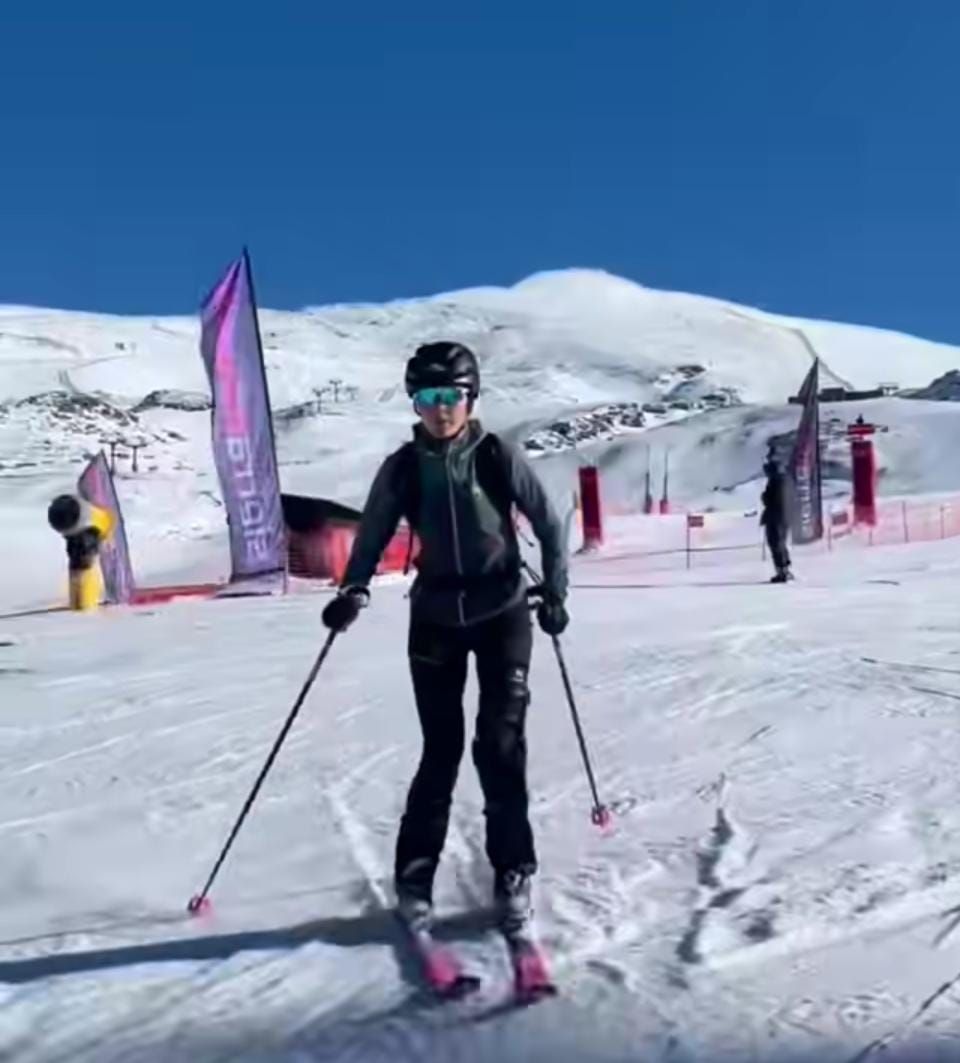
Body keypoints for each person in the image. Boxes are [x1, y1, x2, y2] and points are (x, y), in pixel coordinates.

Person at [321, 341, 569, 940]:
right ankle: (414, 878)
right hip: (434, 613)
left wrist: (555, 591)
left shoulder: (496, 455)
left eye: (451, 396)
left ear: (470, 398)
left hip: (502, 609)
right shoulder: (404, 467)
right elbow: (372, 533)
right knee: (441, 750)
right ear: (415, 403)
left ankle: (513, 871)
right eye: (428, 397)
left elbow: (549, 522)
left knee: (500, 745)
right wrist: (353, 588)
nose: (440, 409)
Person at [760, 456, 793, 583]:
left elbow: (770, 500)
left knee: (775, 543)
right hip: (784, 516)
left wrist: (764, 497)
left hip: (775, 517)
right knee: (781, 543)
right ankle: (785, 569)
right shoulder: (785, 480)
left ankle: (782, 571)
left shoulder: (775, 482)